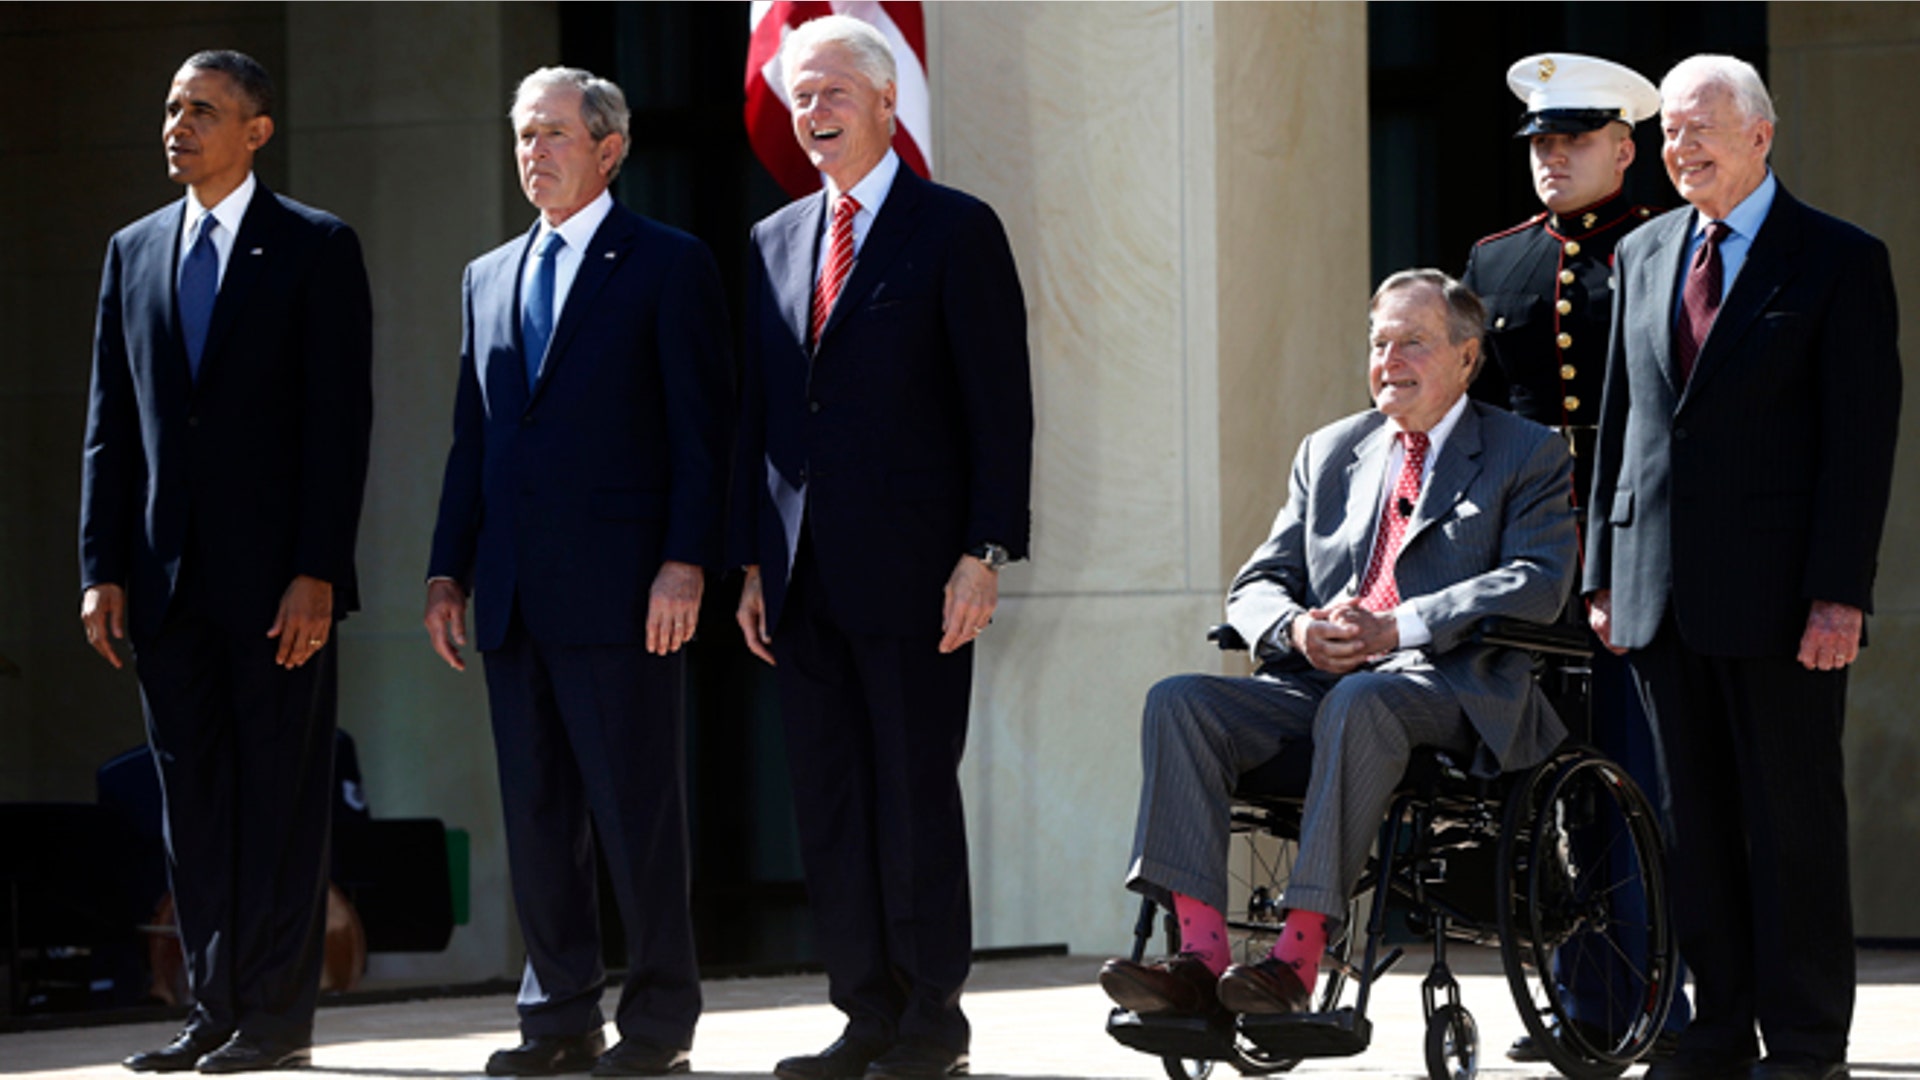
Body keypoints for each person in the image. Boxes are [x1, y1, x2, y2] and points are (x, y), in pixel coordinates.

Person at [1100, 270, 1576, 1023]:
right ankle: (1199, 957)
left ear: (1467, 357)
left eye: (1413, 342)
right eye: (1379, 343)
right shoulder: (1330, 451)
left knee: (1364, 699)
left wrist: (1401, 625)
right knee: (1181, 701)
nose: (1390, 360)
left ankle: (1296, 959)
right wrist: (1296, 630)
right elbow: (1257, 582)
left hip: (1450, 686)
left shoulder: (1526, 452)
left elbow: (1537, 580)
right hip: (1324, 684)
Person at [730, 15, 1033, 1080]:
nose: (813, 114)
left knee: (912, 799)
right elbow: (764, 417)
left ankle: (930, 1025)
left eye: (833, 95)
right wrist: (754, 563)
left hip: (918, 575)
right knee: (831, 804)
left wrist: (983, 550)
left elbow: (1000, 408)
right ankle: (863, 1013)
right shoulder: (772, 242)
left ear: (886, 101)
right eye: (800, 97)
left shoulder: (955, 229)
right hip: (802, 580)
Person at [1587, 55, 1901, 1080]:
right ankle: (1713, 1027)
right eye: (1671, 133)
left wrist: (1839, 594)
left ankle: (1806, 1040)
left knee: (1791, 826)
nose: (1682, 150)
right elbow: (1618, 426)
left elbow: (1860, 446)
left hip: (1781, 601)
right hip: (1656, 595)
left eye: (1701, 130)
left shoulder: (1838, 260)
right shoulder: (1642, 252)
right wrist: (1601, 572)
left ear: (1761, 134)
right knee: (1691, 830)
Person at [423, 66, 731, 1078]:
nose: (534, 152)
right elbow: (475, 441)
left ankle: (656, 1026)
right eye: (522, 134)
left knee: (636, 815)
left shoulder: (667, 264)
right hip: (512, 594)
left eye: (554, 133)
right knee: (540, 819)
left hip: (625, 594)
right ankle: (555, 1019)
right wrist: (445, 573)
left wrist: (685, 563)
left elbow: (700, 433)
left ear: (609, 149)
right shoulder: (486, 275)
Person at [79, 49, 373, 1073]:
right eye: (170, 108)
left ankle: (277, 1022)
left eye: (203, 109)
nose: (179, 124)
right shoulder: (133, 250)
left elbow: (340, 426)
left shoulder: (315, 248)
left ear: (257, 131)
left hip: (278, 585)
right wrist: (100, 566)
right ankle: (212, 1013)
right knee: (193, 806)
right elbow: (111, 427)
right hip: (163, 586)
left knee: (280, 804)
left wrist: (318, 570)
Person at [1459, 51, 1690, 1062]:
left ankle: (1662, 1001)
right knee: (1548, 784)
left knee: (1643, 781)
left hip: (1642, 560)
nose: (1551, 158)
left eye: (1573, 140)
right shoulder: (1498, 260)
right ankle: (1585, 1000)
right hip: (1534, 562)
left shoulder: (1667, 246)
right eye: (1541, 143)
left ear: (1625, 148)